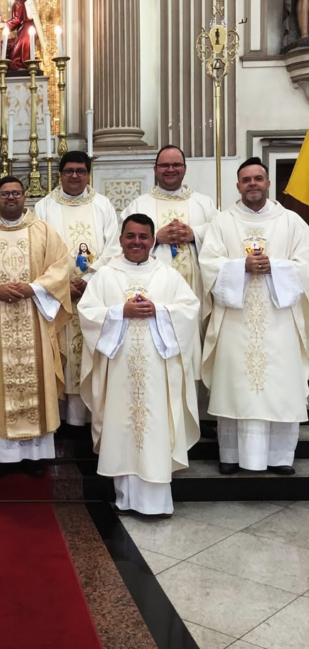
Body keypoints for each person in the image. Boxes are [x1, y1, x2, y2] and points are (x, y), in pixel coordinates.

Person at [79, 215, 201, 515]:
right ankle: (125, 497)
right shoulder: (105, 276)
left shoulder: (168, 275)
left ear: (152, 240)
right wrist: (121, 311)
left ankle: (157, 500)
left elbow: (189, 310)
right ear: (120, 239)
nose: (136, 242)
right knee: (122, 427)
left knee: (155, 426)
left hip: (158, 370)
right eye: (130, 236)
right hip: (118, 368)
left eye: (143, 237)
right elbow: (88, 313)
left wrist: (157, 310)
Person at [199, 158, 309, 475]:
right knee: (236, 384)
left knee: (279, 383)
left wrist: (275, 265)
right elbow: (209, 265)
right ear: (238, 186)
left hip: (280, 320)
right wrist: (240, 267)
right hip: (236, 319)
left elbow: (305, 264)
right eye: (246, 180)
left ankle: (279, 457)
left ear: (268, 183)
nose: (253, 184)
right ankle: (231, 455)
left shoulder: (292, 222)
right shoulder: (223, 222)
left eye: (258, 178)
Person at [0, 177, 70, 475]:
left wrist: (36, 288)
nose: (11, 198)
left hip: (35, 318)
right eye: (5, 193)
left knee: (37, 379)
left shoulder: (45, 233)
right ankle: (1, 456)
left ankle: (35, 456)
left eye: (16, 193)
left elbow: (60, 268)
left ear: (25, 197)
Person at [35, 151, 120, 426]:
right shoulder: (44, 207)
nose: (74, 175)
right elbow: (39, 250)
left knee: (92, 352)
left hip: (94, 294)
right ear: (60, 173)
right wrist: (61, 285)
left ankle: (92, 417)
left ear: (88, 174)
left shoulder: (103, 205)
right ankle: (63, 419)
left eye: (80, 171)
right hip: (59, 296)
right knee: (61, 353)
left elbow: (113, 248)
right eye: (69, 170)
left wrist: (90, 281)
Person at [121, 145, 216, 305]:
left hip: (195, 286)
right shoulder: (139, 205)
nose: (170, 169)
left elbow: (219, 236)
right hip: (153, 287)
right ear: (155, 169)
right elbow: (124, 244)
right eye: (164, 165)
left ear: (185, 168)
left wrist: (194, 235)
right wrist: (156, 237)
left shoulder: (203, 203)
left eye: (176, 165)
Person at [6, 0, 35, 70]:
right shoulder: (21, 2)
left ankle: (19, 67)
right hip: (26, 29)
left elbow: (17, 19)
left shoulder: (18, 3)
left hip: (26, 31)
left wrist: (5, 25)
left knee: (17, 57)